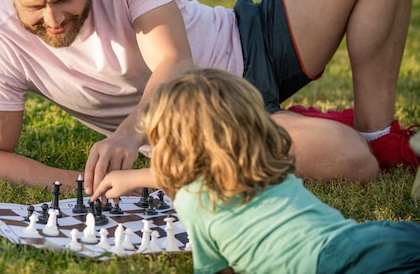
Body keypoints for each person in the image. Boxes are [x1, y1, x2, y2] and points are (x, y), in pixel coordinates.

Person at [0, 0, 418, 192]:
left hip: (247, 41)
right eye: (35, 7)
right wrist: (89, 184)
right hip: (204, 124)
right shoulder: (1, 41)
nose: (54, 19)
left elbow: (173, 62)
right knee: (349, 160)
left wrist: (125, 134)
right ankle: (325, 133)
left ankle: (379, 135)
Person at [91, 68, 420, 273]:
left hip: (333, 264)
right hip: (372, 236)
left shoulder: (193, 202)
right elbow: (205, 175)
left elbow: (217, 269)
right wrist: (134, 179)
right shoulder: (271, 168)